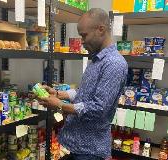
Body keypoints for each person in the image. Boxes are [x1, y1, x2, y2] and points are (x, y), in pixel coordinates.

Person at [39, 8, 128, 160]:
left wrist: (60, 104)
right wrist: (59, 94)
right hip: (78, 146)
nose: (82, 41)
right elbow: (85, 92)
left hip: (90, 151)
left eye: (84, 35)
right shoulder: (97, 59)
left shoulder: (114, 63)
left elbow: (98, 109)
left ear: (101, 29)